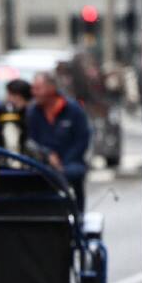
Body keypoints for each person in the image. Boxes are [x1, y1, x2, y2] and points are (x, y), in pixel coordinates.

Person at [26, 71, 92, 210]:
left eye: (38, 88)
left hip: (71, 163)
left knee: (73, 173)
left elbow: (83, 138)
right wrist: (47, 154)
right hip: (42, 163)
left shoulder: (73, 109)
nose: (34, 93)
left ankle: (76, 216)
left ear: (51, 88)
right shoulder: (32, 112)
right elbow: (30, 141)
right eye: (33, 89)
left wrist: (64, 162)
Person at [0, 78, 31, 152]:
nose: (7, 98)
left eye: (9, 94)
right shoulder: (1, 112)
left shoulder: (32, 113)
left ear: (18, 96)